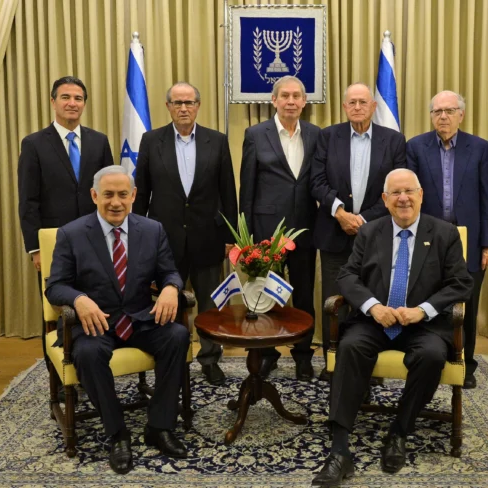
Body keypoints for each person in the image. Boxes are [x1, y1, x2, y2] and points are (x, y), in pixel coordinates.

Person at [312, 168, 473, 485]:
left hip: (422, 326)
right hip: (375, 321)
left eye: (409, 191)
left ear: (421, 195)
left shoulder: (444, 233)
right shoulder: (370, 233)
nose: (403, 199)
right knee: (350, 347)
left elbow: (461, 284)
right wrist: (373, 307)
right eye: (396, 193)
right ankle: (340, 450)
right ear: (385, 200)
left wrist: (422, 311)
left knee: (431, 356)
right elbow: (347, 276)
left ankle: (400, 430)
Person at [45, 166, 190, 474]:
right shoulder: (72, 234)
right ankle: (117, 433)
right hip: (94, 322)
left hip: (138, 317)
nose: (115, 202)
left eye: (123, 194)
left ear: (133, 196)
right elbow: (55, 286)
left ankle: (159, 426)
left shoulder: (153, 230)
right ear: (95, 196)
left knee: (177, 336)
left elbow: (169, 272)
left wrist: (169, 288)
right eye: (108, 195)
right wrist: (79, 299)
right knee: (87, 353)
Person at [133, 82, 238, 386]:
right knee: (169, 302)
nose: (183, 108)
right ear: (167, 107)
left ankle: (210, 359)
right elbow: (141, 194)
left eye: (189, 102)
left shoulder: (216, 141)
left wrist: (230, 234)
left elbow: (227, 191)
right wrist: (138, 235)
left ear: (198, 106)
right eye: (177, 103)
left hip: (208, 237)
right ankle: (173, 358)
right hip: (164, 241)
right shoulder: (151, 141)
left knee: (209, 304)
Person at [310, 82, 406, 380]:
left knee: (372, 300)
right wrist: (340, 213)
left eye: (363, 102)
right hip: (333, 233)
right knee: (334, 301)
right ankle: (333, 362)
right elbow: (317, 181)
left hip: (376, 236)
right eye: (351, 102)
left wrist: (362, 220)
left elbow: (396, 190)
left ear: (374, 106)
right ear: (344, 106)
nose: (357, 107)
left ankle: (369, 361)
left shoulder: (393, 140)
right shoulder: (328, 136)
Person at [406, 90, 488, 389]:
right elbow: (409, 198)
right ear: (431, 115)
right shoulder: (416, 147)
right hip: (428, 240)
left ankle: (465, 364)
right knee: (428, 300)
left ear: (461, 114)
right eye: (437, 111)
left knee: (466, 306)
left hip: (469, 241)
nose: (443, 116)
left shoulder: (480, 148)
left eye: (449, 110)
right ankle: (429, 360)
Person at [18, 76, 114, 360]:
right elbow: (28, 200)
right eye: (65, 97)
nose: (72, 103)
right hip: (53, 243)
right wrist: (35, 248)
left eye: (78, 98)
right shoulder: (34, 144)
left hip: (95, 238)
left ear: (84, 104)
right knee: (57, 306)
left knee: (95, 300)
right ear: (53, 102)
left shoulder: (99, 141)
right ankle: (58, 372)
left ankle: (92, 363)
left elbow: (109, 194)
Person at [239, 75, 321, 381]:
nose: (290, 101)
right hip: (264, 231)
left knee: (303, 295)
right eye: (284, 95)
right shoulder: (255, 134)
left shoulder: (315, 134)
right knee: (266, 295)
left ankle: (302, 354)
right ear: (274, 100)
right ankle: (267, 352)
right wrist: (244, 234)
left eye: (296, 96)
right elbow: (246, 186)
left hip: (305, 228)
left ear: (304, 102)